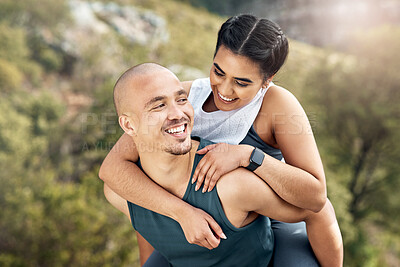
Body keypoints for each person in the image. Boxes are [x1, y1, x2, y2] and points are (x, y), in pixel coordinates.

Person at [99, 15, 335, 266]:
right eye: (218, 72)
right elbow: (117, 171)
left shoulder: (277, 105)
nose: (224, 89)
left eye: (241, 82)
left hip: (270, 212)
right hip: (192, 216)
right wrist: (182, 213)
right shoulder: (182, 100)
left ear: (268, 79)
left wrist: (248, 156)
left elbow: (317, 198)